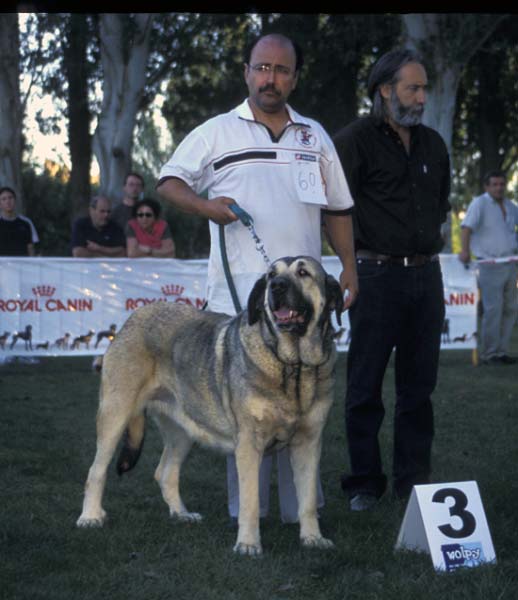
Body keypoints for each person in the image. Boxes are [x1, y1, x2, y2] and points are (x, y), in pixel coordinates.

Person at [157, 33, 357, 525]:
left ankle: (299, 513)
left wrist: (349, 266)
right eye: (262, 67)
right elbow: (168, 183)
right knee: (248, 411)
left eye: (282, 70)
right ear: (246, 71)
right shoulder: (216, 132)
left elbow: (338, 209)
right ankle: (248, 514)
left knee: (305, 400)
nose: (271, 78)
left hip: (305, 305)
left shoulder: (315, 136)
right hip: (239, 304)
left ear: (294, 77)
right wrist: (207, 207)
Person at [333, 48, 451, 511]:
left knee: (418, 389)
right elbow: (335, 209)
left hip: (427, 277)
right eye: (412, 88)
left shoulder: (434, 144)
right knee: (364, 387)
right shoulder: (354, 141)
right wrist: (350, 265)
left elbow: (440, 204)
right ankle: (364, 483)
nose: (421, 98)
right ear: (385, 90)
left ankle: (413, 482)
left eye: (423, 89)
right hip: (375, 276)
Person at [459, 170, 518, 365]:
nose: (499, 187)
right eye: (495, 184)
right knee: (493, 309)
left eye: (502, 184)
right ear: (487, 187)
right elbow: (466, 228)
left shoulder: (511, 206)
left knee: (510, 308)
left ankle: (502, 351)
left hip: (510, 263)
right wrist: (465, 251)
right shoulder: (479, 203)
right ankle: (490, 353)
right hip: (489, 265)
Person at [0, 186, 39, 256]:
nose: (8, 201)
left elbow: (31, 249)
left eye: (10, 198)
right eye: (4, 199)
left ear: (15, 200)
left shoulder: (26, 223)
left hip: (22, 266)